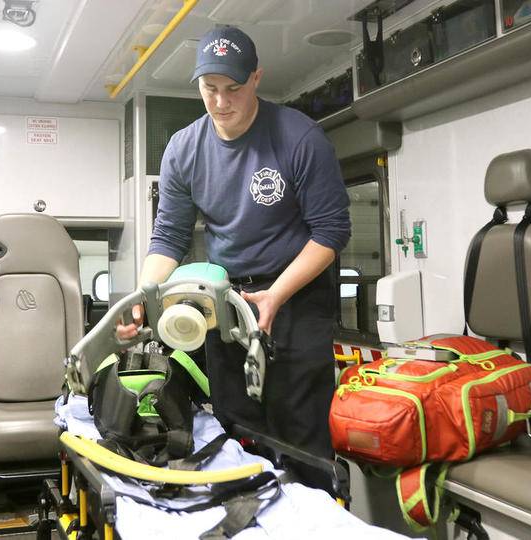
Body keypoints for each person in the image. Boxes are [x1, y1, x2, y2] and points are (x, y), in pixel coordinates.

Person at [116, 26, 351, 485]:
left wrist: (276, 296)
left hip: (295, 299)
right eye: (210, 89)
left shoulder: (299, 138)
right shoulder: (184, 148)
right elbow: (169, 236)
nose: (221, 102)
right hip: (225, 303)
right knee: (236, 432)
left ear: (256, 78)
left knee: (300, 437)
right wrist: (145, 296)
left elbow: (331, 232)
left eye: (233, 89)